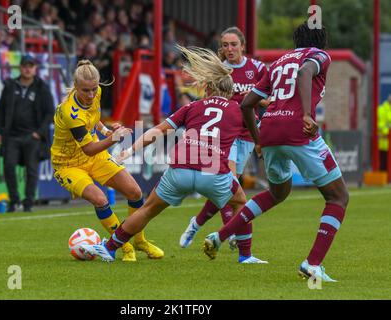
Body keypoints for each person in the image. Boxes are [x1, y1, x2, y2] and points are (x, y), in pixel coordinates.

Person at [202, 22, 349, 282]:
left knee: (278, 192)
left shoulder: (280, 62)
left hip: (269, 129)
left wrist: (259, 140)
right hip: (297, 130)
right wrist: (305, 113)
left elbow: (248, 103)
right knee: (338, 197)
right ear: (321, 42)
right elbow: (305, 72)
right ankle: (312, 264)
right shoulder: (318, 55)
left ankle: (219, 235)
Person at [78, 45, 248, 263]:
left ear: (207, 89)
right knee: (240, 201)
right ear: (230, 92)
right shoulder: (237, 108)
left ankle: (109, 248)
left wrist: (129, 151)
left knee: (147, 210)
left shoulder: (191, 107)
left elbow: (156, 132)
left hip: (180, 169)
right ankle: (240, 251)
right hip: (212, 171)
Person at [50, 60, 164, 262]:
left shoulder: (96, 93)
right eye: (86, 91)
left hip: (94, 156)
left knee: (135, 192)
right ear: (76, 87)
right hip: (68, 164)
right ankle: (125, 246)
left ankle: (140, 240)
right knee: (101, 199)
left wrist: (104, 130)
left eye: (95, 89)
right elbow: (89, 148)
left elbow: (93, 118)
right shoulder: (70, 112)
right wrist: (113, 138)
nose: (92, 95)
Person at [179, 27, 269, 264]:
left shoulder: (258, 69)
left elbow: (271, 95)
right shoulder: (218, 71)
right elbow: (206, 100)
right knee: (229, 185)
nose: (229, 49)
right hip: (224, 133)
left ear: (243, 46)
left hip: (248, 133)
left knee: (230, 188)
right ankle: (233, 236)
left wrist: (255, 97)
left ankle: (199, 223)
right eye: (225, 45)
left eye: (233, 44)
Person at [0, 55, 55, 212]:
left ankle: (28, 202)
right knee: (8, 166)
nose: (28, 69)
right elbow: (0, 110)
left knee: (32, 170)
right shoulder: (10, 85)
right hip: (11, 135)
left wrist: (39, 133)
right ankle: (14, 200)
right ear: (20, 68)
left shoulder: (42, 87)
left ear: (35, 69)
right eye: (25, 66)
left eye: (31, 66)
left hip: (32, 135)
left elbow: (50, 112)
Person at [378, 94, 391, 171]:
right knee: (383, 164)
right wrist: (387, 132)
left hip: (387, 142)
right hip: (383, 143)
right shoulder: (381, 110)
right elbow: (380, 126)